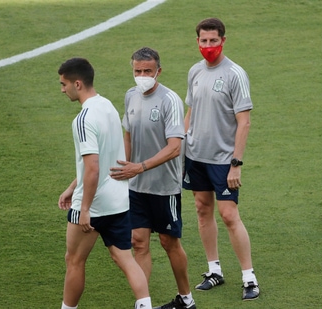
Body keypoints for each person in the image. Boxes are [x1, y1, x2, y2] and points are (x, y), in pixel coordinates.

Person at [56, 57, 152, 309]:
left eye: (64, 84)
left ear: (77, 83)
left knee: (74, 260)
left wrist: (85, 208)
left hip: (94, 203)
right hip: (118, 200)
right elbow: (108, 155)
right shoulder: (107, 106)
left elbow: (93, 167)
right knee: (125, 258)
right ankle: (145, 305)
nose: (62, 89)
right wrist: (71, 186)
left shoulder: (83, 119)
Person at [109, 47, 196, 309]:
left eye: (148, 71)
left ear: (159, 71)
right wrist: (125, 167)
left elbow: (174, 147)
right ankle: (144, 303)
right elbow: (128, 134)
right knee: (138, 242)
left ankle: (186, 298)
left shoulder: (169, 100)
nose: (142, 75)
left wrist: (140, 167)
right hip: (136, 185)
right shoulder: (130, 96)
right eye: (138, 71)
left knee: (169, 243)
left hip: (164, 187)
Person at [182, 17, 260, 301]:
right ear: (197, 41)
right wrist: (180, 143)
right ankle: (214, 270)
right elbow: (190, 111)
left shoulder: (234, 74)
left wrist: (236, 163)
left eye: (213, 40)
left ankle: (249, 277)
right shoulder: (195, 72)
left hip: (223, 160)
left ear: (223, 41)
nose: (208, 46)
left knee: (228, 215)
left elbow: (245, 122)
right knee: (203, 210)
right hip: (195, 157)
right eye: (203, 41)